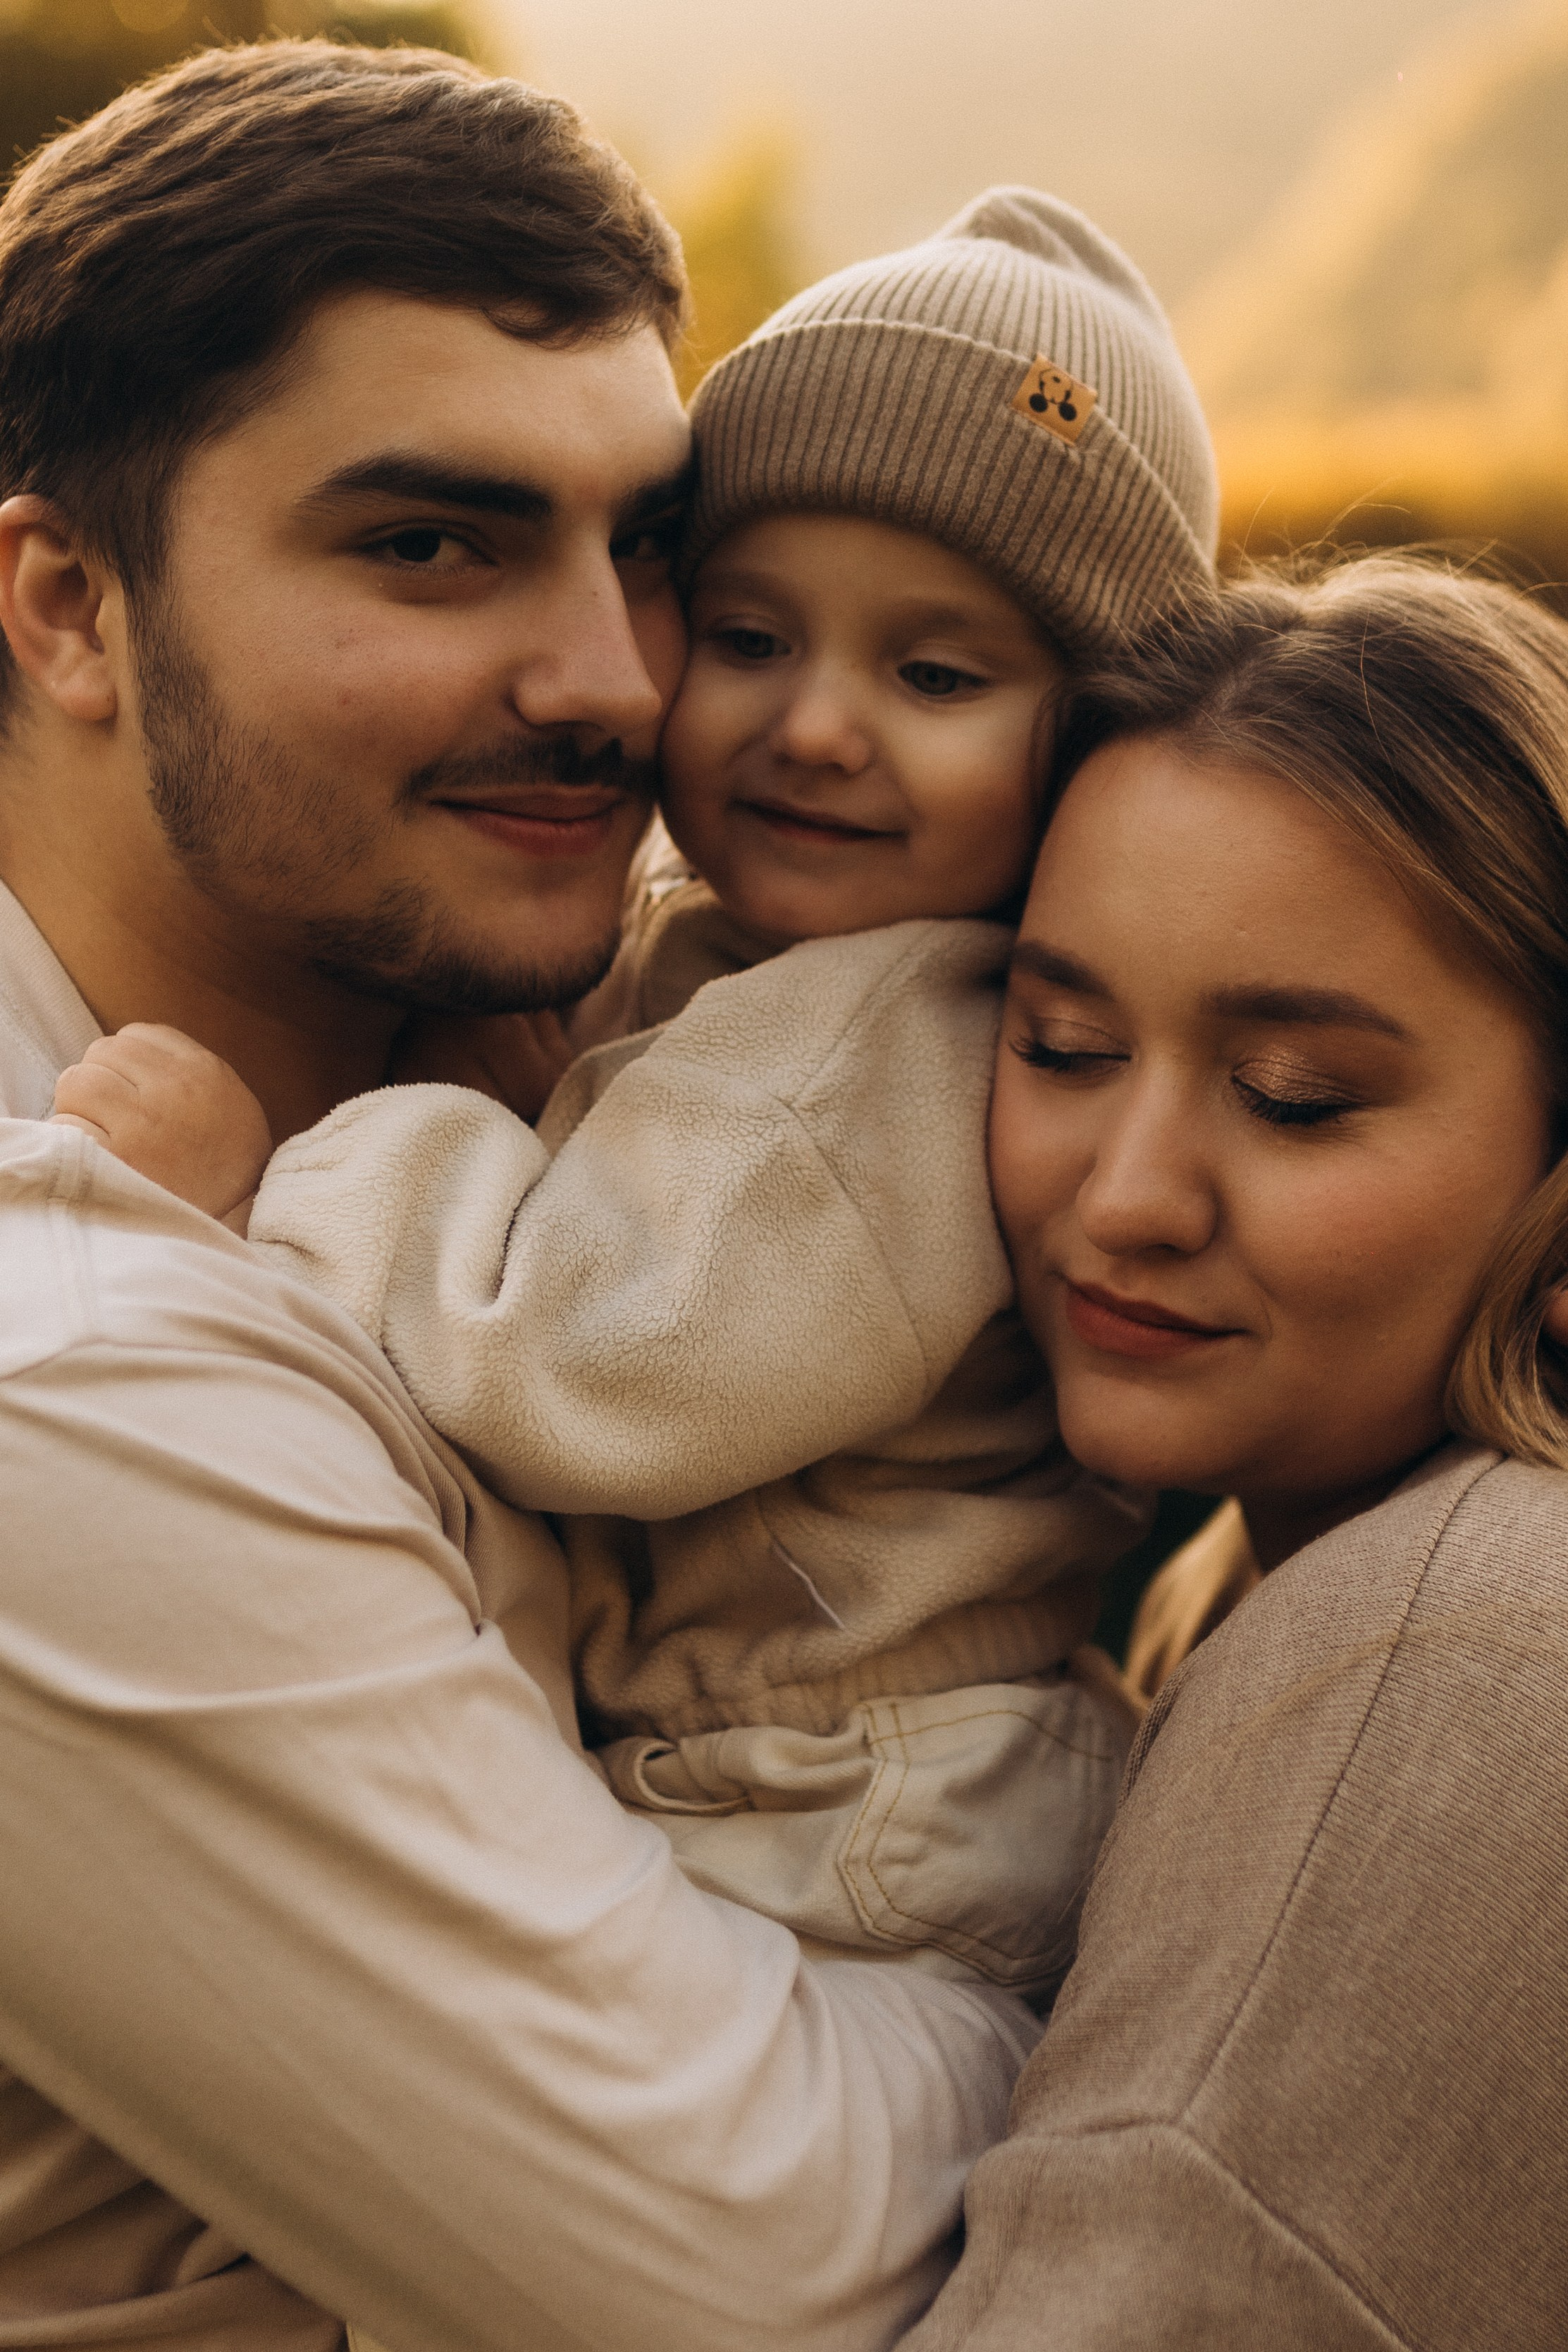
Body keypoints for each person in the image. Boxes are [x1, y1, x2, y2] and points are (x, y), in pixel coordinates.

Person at [0, 41, 1047, 2352]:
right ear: (68, 606)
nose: (614, 682)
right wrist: (1183, 1966)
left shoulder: (641, 1050)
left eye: (652, 549)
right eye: (429, 541)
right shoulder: (52, 1372)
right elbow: (763, 2270)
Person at [66, 190, 1218, 2000]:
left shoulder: (891, 1038)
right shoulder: (760, 962)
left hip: (847, 1808)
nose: (819, 726)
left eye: (933, 674)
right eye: (751, 637)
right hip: (823, 1758)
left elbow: (576, 1359)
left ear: (1092, 738)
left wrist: (275, 1167)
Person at [907, 551, 1568, 2349]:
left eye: (1293, 1097)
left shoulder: (1447, 1635)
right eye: (1060, 1045)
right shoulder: (1234, 1582)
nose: (1122, 1198)